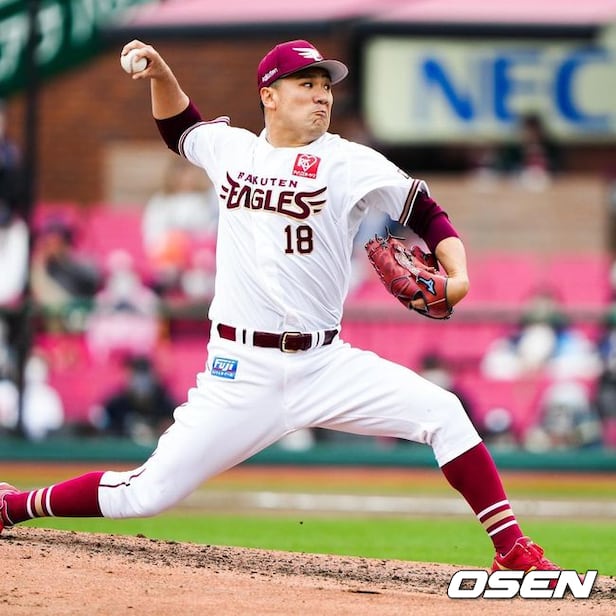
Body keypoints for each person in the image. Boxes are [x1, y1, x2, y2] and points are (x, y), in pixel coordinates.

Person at [0, 38, 565, 577]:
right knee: (145, 495)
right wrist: (162, 74)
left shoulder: (349, 161)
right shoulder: (233, 150)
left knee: (444, 412)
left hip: (325, 364)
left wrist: (458, 275)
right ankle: (14, 505)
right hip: (241, 371)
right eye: (306, 84)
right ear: (268, 94)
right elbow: (181, 127)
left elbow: (427, 213)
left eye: (326, 86)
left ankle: (512, 549)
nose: (322, 96)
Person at [90, 355, 176, 445]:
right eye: (135, 374)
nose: (140, 381)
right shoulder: (116, 405)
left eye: (144, 374)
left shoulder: (166, 405)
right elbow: (101, 428)